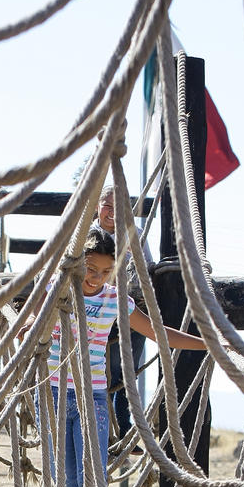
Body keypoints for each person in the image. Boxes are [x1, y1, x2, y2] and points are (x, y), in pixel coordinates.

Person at [26, 227, 205, 487]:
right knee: (67, 485)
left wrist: (208, 344)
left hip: (91, 397)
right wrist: (24, 329)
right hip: (51, 395)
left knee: (89, 482)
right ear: (78, 264)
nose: (96, 278)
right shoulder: (55, 291)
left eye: (106, 272)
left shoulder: (114, 299)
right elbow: (31, 321)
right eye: (91, 269)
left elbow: (158, 331)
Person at [96, 184, 152, 441]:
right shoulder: (88, 234)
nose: (112, 213)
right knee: (101, 368)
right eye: (107, 206)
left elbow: (149, 269)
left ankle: (123, 426)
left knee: (126, 370)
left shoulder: (134, 234)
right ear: (98, 207)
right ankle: (104, 427)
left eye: (118, 208)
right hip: (96, 312)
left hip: (130, 309)